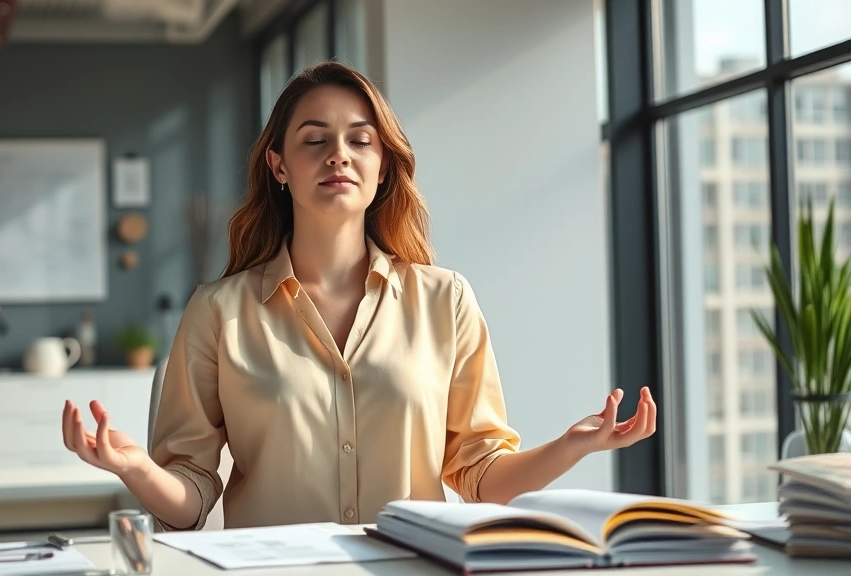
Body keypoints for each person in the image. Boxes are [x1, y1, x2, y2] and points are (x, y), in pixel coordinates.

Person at [61, 61, 657, 532]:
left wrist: (576, 445)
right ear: (279, 166)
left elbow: (482, 476)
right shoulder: (218, 312)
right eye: (314, 140)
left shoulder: (445, 300)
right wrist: (137, 469)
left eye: (360, 141)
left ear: (382, 167)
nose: (338, 154)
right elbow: (188, 500)